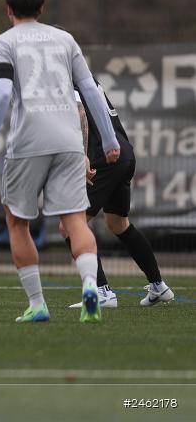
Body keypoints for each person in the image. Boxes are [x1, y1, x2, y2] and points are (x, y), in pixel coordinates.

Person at [0, 0, 120, 323]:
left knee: (17, 222)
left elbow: (0, 94)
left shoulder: (4, 42)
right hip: (69, 140)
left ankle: (38, 305)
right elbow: (89, 89)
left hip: (29, 142)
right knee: (74, 219)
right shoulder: (65, 39)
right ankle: (90, 287)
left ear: (8, 10)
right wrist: (110, 140)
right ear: (42, 10)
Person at [60, 80, 174, 308]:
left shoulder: (67, 76)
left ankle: (101, 291)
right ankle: (159, 286)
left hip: (104, 158)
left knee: (70, 225)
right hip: (123, 154)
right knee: (118, 224)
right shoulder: (85, 76)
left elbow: (79, 111)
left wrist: (82, 155)